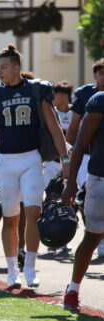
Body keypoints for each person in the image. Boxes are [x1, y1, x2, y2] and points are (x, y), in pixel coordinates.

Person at [0, 44, 68, 288]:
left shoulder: (37, 89)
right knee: (10, 218)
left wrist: (65, 159)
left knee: (33, 213)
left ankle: (30, 266)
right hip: (5, 161)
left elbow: (54, 127)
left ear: (16, 68)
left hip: (31, 158)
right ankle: (11, 270)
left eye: (4, 67)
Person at [61, 91, 104, 312]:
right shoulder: (100, 101)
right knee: (92, 238)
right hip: (100, 178)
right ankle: (73, 290)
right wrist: (70, 184)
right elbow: (79, 145)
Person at [66, 58, 104, 257]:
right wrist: (66, 155)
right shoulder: (88, 95)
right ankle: (94, 233)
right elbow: (74, 127)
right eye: (101, 72)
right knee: (83, 198)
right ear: (95, 74)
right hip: (88, 157)